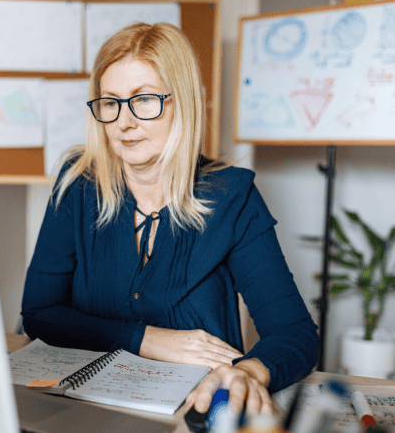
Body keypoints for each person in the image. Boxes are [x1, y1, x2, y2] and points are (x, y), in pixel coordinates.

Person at [21, 22, 319, 416]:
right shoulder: (78, 184)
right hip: (88, 412)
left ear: (184, 102)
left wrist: (248, 372)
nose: (124, 122)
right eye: (111, 102)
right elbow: (39, 313)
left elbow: (295, 333)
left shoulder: (232, 197)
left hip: (196, 411)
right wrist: (145, 339)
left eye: (144, 99)